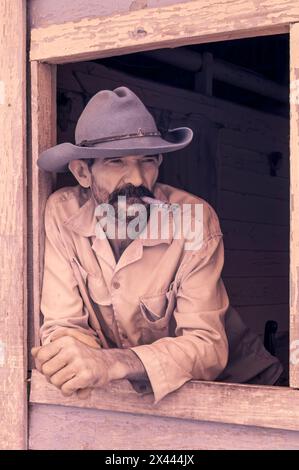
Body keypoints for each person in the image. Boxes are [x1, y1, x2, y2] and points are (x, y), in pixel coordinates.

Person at [32, 86, 283, 404]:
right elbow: (64, 324)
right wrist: (72, 359)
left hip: (239, 387)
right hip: (134, 394)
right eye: (116, 162)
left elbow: (206, 345)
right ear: (83, 172)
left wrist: (110, 363)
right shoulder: (62, 213)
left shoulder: (193, 219)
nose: (136, 178)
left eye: (147, 160)